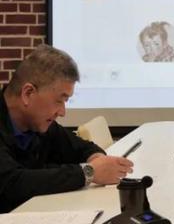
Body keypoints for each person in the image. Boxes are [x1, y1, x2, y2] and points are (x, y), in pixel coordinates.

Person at [0, 45, 134, 212]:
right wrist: (89, 172)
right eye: (59, 100)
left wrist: (98, 160)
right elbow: (12, 183)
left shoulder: (38, 124)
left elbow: (82, 148)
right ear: (28, 93)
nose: (62, 112)